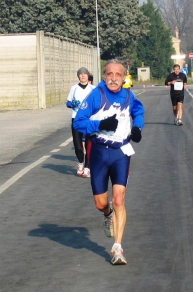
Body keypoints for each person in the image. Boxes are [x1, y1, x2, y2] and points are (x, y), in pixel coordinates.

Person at [73, 59, 145, 265]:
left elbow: (138, 111)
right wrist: (101, 123)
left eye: (118, 75)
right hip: (99, 152)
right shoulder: (97, 95)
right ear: (104, 76)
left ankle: (117, 248)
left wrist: (138, 127)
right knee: (101, 203)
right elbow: (79, 122)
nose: (114, 78)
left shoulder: (129, 96)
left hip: (121, 152)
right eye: (110, 74)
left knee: (120, 198)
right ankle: (107, 214)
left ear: (124, 77)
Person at [66, 67, 95, 177]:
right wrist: (73, 104)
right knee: (78, 145)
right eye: (81, 74)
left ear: (88, 76)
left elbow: (98, 103)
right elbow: (68, 102)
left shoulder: (93, 89)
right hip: (76, 118)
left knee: (88, 144)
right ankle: (81, 163)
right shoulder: (74, 88)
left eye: (85, 74)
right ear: (78, 76)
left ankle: (87, 167)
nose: (83, 76)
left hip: (89, 119)